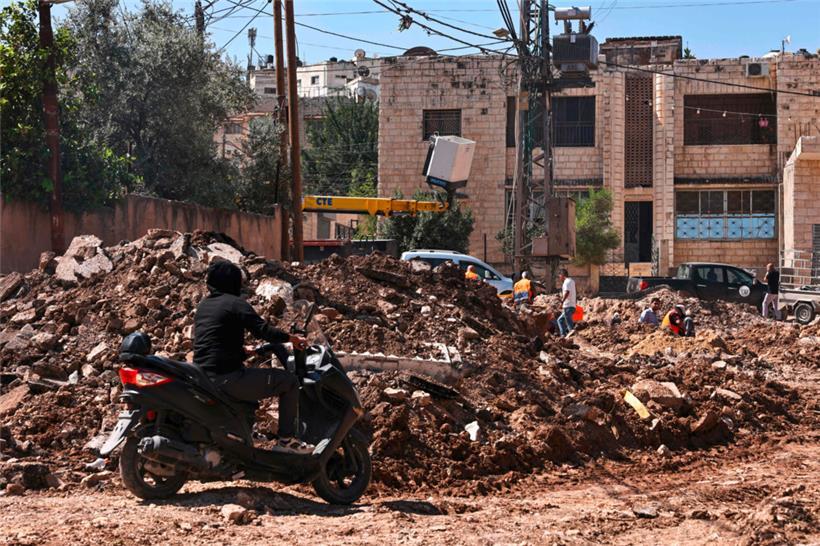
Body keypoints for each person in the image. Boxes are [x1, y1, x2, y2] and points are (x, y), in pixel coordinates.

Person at [193, 260, 313, 454]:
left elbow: (214, 342)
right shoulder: (235, 303)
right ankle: (286, 441)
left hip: (203, 377)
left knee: (251, 381)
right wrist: (291, 338)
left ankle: (246, 429)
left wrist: (243, 352)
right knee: (289, 382)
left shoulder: (204, 306)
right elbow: (263, 330)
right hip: (226, 378)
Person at [556, 269, 577, 337]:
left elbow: (567, 292)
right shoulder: (572, 281)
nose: (559, 278)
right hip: (572, 305)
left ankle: (572, 335)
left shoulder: (566, 282)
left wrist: (562, 301)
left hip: (567, 305)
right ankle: (563, 336)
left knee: (569, 323)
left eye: (559, 276)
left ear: (562, 275)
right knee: (560, 320)